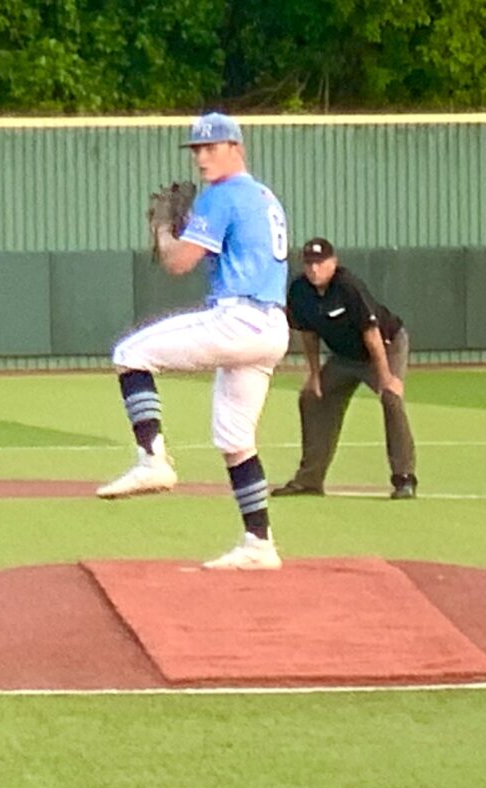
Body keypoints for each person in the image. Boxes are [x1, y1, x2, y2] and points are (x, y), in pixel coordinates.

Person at [97, 112, 292, 571]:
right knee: (235, 439)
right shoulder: (263, 196)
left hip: (240, 319)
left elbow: (180, 262)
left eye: (210, 147)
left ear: (235, 148)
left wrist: (167, 231)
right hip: (271, 326)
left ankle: (152, 460)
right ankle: (259, 543)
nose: (201, 157)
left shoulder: (222, 195)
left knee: (130, 354)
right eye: (196, 150)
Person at [276, 238, 418, 501]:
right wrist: (315, 376)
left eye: (320, 263)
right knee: (311, 398)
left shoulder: (348, 286)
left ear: (333, 262)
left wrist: (387, 377)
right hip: (344, 357)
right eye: (309, 264)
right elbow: (308, 334)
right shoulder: (299, 290)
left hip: (384, 347)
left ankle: (404, 478)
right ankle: (309, 479)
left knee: (391, 398)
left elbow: (372, 333)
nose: (314, 270)